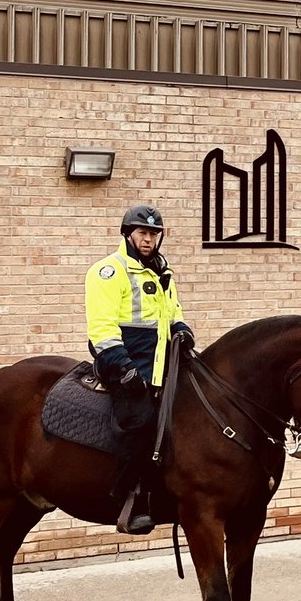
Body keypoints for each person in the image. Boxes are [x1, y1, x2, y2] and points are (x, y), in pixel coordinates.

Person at [85, 205, 194, 535]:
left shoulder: (163, 273)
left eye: (153, 234)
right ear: (128, 235)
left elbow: (171, 312)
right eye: (143, 233)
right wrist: (124, 367)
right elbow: (101, 328)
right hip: (123, 365)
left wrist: (182, 328)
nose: (148, 239)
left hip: (160, 365)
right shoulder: (108, 271)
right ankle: (125, 497)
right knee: (142, 421)